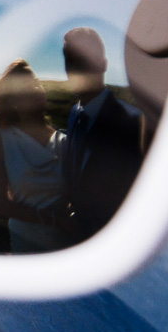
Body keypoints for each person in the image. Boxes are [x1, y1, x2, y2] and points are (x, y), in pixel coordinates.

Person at [59, 26, 145, 242]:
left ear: (103, 64)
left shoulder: (132, 122)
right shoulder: (73, 115)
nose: (75, 69)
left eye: (83, 60)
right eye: (70, 61)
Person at [0, 59, 69, 253]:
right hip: (27, 243)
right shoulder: (1, 141)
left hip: (67, 241)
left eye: (36, 84)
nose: (36, 90)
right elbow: (0, 202)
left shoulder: (64, 141)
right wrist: (53, 219)